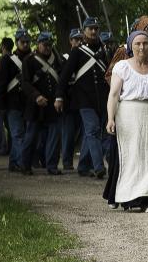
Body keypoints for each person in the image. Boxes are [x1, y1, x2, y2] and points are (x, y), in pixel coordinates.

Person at [105, 30, 148, 212]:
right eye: (137, 44)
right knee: (132, 158)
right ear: (130, 47)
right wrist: (110, 118)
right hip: (128, 117)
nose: (142, 47)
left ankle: (147, 200)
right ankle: (130, 198)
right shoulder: (122, 67)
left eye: (145, 43)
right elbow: (114, 95)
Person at [56, 17, 111, 178]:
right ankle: (99, 166)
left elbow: (110, 73)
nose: (93, 31)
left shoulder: (104, 51)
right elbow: (65, 75)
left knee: (94, 132)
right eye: (90, 28)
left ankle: (83, 166)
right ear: (84, 31)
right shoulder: (77, 52)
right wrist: (59, 96)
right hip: (84, 99)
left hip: (102, 99)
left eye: (95, 28)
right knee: (92, 130)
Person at [21, 31, 65, 175]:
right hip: (35, 104)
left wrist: (59, 97)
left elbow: (61, 80)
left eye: (49, 45)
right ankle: (25, 165)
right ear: (38, 44)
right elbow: (25, 83)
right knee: (31, 137)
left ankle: (51, 166)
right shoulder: (29, 60)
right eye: (45, 45)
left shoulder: (56, 59)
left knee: (54, 137)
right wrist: (36, 96)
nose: (47, 47)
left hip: (53, 104)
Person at [0, 33, 32, 171]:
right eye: (22, 42)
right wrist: (0, 104)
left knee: (25, 134)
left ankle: (14, 162)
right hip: (13, 102)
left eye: (27, 42)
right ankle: (22, 163)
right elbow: (1, 83)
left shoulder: (33, 58)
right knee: (17, 134)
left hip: (28, 102)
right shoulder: (8, 60)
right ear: (16, 43)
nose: (25, 44)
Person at [58, 29, 81, 171]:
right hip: (69, 100)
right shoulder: (64, 58)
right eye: (75, 39)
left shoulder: (84, 56)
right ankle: (67, 161)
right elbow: (62, 78)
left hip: (81, 99)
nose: (78, 42)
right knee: (68, 132)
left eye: (80, 39)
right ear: (70, 41)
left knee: (78, 133)